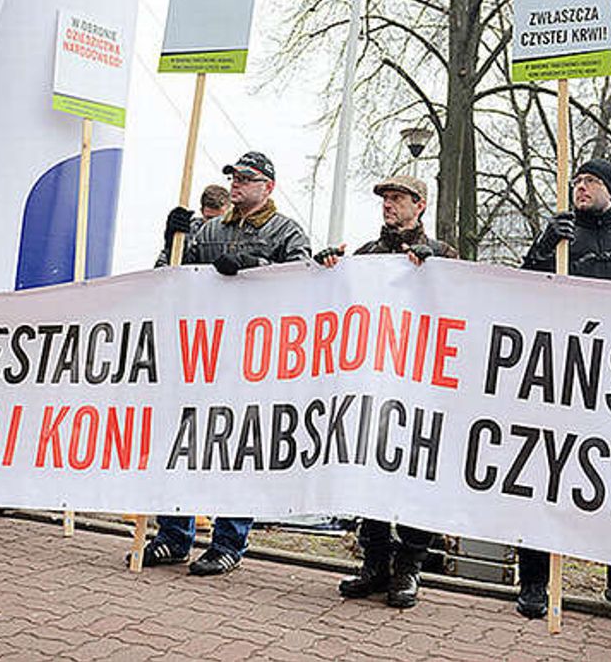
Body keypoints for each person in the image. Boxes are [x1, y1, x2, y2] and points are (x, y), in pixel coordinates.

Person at [143, 151, 311, 577]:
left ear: (268, 187)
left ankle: (229, 543)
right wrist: (172, 240)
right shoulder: (208, 230)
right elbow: (169, 277)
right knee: (181, 442)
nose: (236, 183)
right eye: (233, 176)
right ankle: (173, 535)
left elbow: (303, 283)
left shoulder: (286, 232)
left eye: (246, 178)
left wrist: (256, 267)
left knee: (239, 450)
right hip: (204, 355)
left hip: (255, 360)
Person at [515, 158, 611, 619]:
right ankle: (534, 580)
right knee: (545, 476)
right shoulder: (558, 240)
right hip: (561, 374)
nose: (580, 187)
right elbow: (521, 291)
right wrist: (542, 248)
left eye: (590, 181)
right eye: (576, 181)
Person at [316, 174, 457, 608]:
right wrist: (327, 270)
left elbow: (461, 303)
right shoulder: (367, 256)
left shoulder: (443, 254)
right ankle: (375, 564)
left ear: (420, 204)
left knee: (413, 476)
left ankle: (408, 567)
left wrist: (438, 267)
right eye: (385, 198)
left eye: (397, 198)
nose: (388, 204)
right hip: (372, 383)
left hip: (418, 385)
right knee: (368, 473)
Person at [154, 183, 230, 267]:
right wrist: (171, 243)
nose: (213, 224)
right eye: (209, 218)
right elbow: (161, 267)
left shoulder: (236, 233)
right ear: (202, 211)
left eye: (218, 219)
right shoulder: (189, 232)